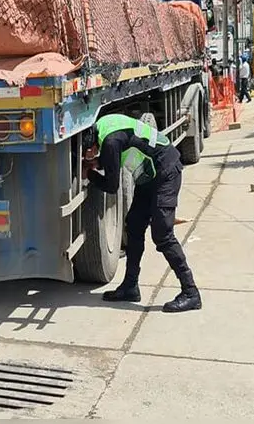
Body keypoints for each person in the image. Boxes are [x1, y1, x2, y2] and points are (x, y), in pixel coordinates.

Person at [82, 114, 201, 313]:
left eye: (89, 153)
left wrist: (91, 174)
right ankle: (130, 286)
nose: (90, 155)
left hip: (166, 173)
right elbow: (125, 144)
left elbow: (111, 186)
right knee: (135, 225)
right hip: (150, 175)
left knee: (162, 235)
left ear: (92, 146)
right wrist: (99, 163)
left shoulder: (109, 141)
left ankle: (191, 292)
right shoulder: (105, 125)